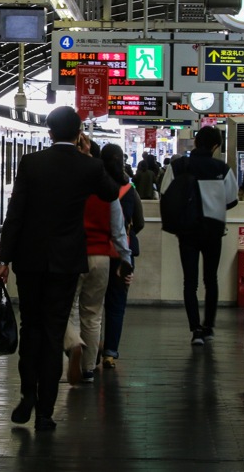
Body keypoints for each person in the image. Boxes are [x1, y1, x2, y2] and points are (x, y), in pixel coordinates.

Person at [0, 106, 124, 432]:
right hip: (66, 264)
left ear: (49, 133)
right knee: (53, 335)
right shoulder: (89, 166)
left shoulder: (31, 163)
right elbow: (113, 191)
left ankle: (27, 395)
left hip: (30, 260)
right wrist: (93, 156)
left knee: (32, 330)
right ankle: (46, 414)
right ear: (78, 133)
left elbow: (16, 214)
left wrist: (3, 260)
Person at [159, 125, 238, 346]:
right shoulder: (222, 168)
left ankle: (195, 330)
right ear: (215, 146)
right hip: (213, 230)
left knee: (189, 282)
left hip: (187, 230)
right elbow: (231, 200)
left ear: (195, 142)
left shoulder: (178, 166)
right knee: (210, 279)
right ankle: (209, 327)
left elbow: (165, 194)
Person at [62, 142, 133, 384]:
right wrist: (126, 261)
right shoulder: (109, 192)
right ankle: (88, 369)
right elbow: (119, 231)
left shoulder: (70, 189)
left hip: (73, 255)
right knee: (92, 314)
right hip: (101, 257)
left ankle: (73, 345)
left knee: (67, 309)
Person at [99, 143, 143, 370]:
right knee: (116, 305)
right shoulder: (129, 188)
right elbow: (140, 222)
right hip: (121, 253)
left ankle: (93, 346)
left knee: (93, 304)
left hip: (96, 251)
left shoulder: (95, 186)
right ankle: (110, 353)